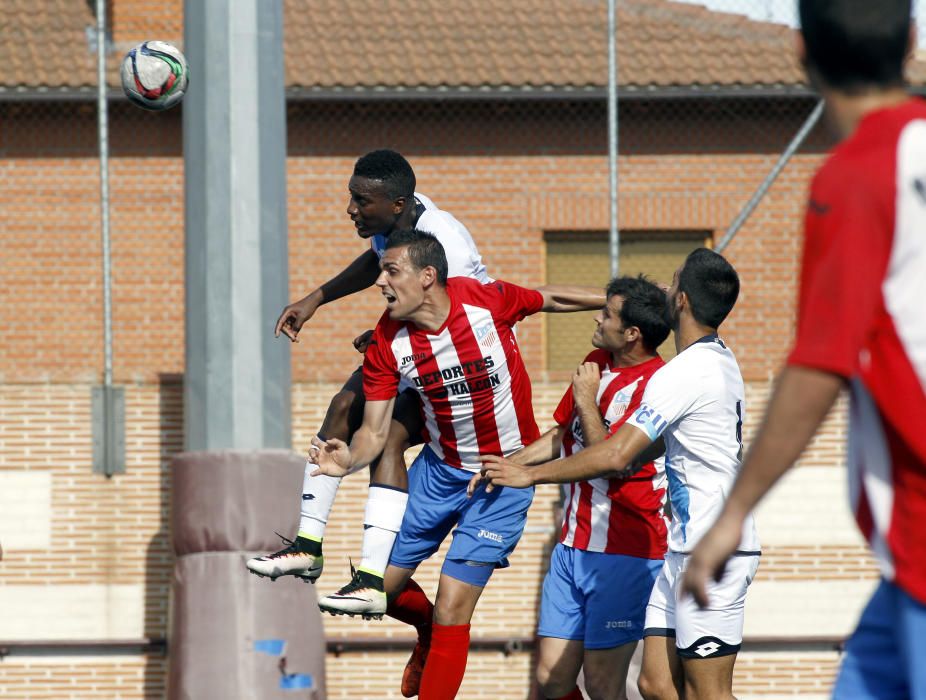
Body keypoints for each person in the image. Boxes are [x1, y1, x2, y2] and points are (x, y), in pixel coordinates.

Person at [680, 2, 926, 698]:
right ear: (912, 40)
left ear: (801, 55)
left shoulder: (857, 175)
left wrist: (732, 516)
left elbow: (821, 362)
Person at [310, 229, 605, 699]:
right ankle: (424, 627)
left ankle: (440, 633)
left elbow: (548, 297)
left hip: (503, 477)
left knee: (453, 605)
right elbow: (374, 433)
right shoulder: (388, 342)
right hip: (439, 471)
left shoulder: (483, 301)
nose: (381, 282)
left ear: (428, 276)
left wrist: (614, 302)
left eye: (391, 271)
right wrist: (347, 459)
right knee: (376, 592)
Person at [480, 249, 756, 700]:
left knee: (708, 692)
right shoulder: (709, 361)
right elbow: (607, 445)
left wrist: (531, 476)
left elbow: (615, 458)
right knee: (654, 684)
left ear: (682, 300)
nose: (665, 289)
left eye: (672, 281)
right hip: (682, 546)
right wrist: (516, 461)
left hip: (713, 548)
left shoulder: (683, 372)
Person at [246, 150, 490, 616]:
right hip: (415, 347)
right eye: (351, 197)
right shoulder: (400, 223)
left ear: (398, 204)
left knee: (389, 438)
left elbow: (455, 318)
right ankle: (308, 547)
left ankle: (372, 579)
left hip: (468, 368)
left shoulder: (446, 245)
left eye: (362, 201)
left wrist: (388, 333)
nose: (351, 209)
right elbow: (375, 258)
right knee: (342, 407)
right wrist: (317, 297)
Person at [489, 275, 670, 700]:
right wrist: (507, 465)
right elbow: (562, 435)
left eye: (607, 313)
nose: (597, 317)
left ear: (632, 333)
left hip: (624, 553)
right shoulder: (597, 361)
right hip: (571, 547)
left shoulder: (658, 386)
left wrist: (587, 399)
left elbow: (609, 461)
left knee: (605, 685)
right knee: (552, 680)